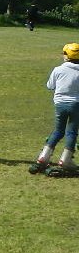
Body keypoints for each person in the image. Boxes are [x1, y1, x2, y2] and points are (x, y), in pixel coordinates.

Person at [30, 43, 79, 175]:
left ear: (67, 56)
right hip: (76, 105)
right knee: (72, 132)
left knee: (58, 131)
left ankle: (43, 158)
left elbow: (50, 86)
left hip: (60, 104)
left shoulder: (58, 69)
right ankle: (66, 160)